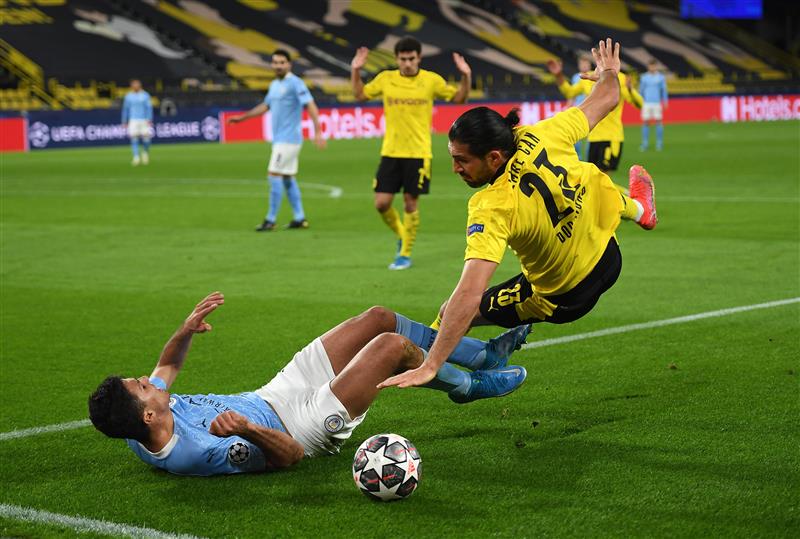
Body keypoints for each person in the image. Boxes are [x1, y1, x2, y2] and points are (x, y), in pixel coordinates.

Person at [379, 39, 658, 392]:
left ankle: (467, 384)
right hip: (610, 256)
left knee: (452, 312)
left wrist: (432, 363)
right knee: (589, 179)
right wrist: (609, 72)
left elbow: (469, 293)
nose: (455, 168)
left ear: (494, 157)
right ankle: (638, 209)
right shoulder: (545, 132)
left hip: (565, 296)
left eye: (462, 160)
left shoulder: (492, 205)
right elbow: (606, 98)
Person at [88, 292, 530, 476]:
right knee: (391, 347)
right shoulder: (197, 452)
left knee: (376, 318)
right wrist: (248, 430)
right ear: (148, 413)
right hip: (303, 426)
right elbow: (291, 457)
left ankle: (481, 355)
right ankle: (467, 386)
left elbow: (167, 364)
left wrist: (185, 330)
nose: (149, 379)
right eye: (142, 386)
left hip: (274, 392)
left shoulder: (140, 424)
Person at [350, 36, 472, 270]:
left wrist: (466, 76)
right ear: (396, 59)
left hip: (418, 152)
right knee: (381, 204)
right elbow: (359, 95)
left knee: (409, 203)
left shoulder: (430, 81)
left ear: (419, 58)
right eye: (403, 59)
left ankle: (404, 254)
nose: (407, 63)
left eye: (411, 59)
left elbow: (459, 98)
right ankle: (402, 235)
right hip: (391, 151)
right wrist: (355, 70)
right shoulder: (386, 79)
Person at [229, 49, 325, 232]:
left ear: (289, 64)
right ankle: (300, 217)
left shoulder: (295, 83)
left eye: (282, 62)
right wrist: (242, 118)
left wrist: (318, 131)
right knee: (287, 177)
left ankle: (270, 219)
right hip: (281, 139)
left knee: (274, 175)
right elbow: (266, 106)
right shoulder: (274, 85)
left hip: (289, 139)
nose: (278, 66)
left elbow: (311, 105)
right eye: (275, 62)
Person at [547, 51, 643, 176]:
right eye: (601, 56)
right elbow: (570, 92)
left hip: (611, 136)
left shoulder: (620, 78)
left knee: (603, 176)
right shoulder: (588, 77)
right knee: (593, 178)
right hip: (593, 136)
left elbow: (639, 104)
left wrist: (630, 90)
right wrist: (559, 76)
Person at [121, 79, 153, 166]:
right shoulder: (128, 96)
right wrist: (124, 121)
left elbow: (149, 108)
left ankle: (145, 152)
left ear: (140, 85)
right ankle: (136, 157)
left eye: (137, 85)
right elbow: (125, 109)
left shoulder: (145, 95)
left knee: (146, 138)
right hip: (133, 120)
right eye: (133, 85)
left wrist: (149, 119)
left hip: (144, 120)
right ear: (131, 86)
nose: (135, 86)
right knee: (134, 138)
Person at [639, 60, 668, 151]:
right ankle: (645, 143)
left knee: (658, 122)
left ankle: (659, 143)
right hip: (646, 103)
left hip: (657, 103)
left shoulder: (661, 77)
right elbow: (641, 91)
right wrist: (640, 101)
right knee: (645, 122)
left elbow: (664, 90)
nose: (652, 68)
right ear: (648, 67)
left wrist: (665, 101)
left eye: (654, 66)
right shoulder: (644, 77)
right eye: (650, 66)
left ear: (656, 66)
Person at [568, 55, 592, 160]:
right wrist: (569, 106)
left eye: (586, 64)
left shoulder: (593, 76)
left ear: (589, 65)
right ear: (579, 65)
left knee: (589, 136)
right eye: (582, 64)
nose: (584, 66)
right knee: (576, 135)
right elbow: (572, 94)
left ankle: (588, 158)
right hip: (577, 110)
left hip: (589, 110)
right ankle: (578, 156)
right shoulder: (575, 77)